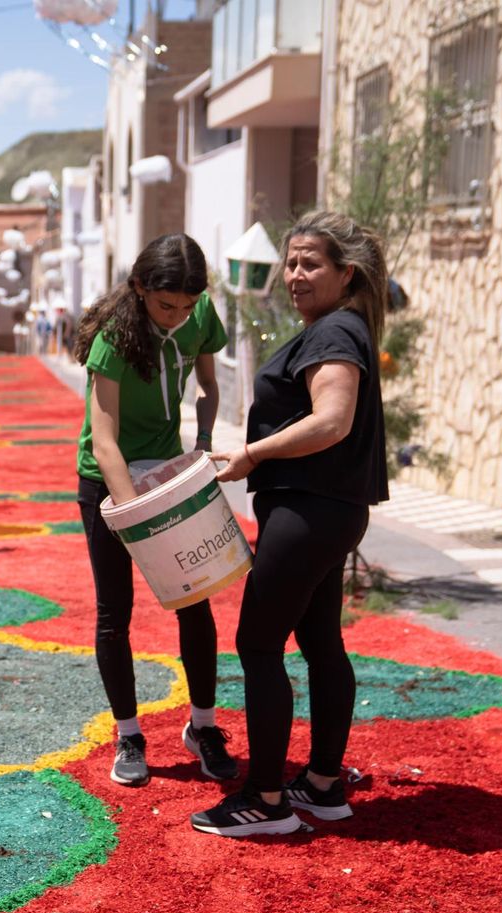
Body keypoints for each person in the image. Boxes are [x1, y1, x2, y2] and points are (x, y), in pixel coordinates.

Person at [191, 210, 389, 838]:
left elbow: (333, 420)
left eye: (311, 264)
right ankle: (324, 785)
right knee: (321, 643)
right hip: (328, 511)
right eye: (292, 262)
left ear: (345, 272)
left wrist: (255, 452)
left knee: (257, 644)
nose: (295, 275)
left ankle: (267, 799)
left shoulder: (334, 333)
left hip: (310, 510)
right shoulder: (343, 326)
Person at [74, 232, 233, 787]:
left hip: (167, 476)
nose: (177, 317)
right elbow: (105, 440)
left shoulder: (200, 315)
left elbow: (209, 387)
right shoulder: (114, 339)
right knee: (115, 612)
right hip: (109, 485)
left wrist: (204, 441)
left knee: (195, 601)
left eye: (187, 306)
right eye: (167, 306)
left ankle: (203, 727)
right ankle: (130, 736)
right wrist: (131, 510)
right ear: (140, 288)